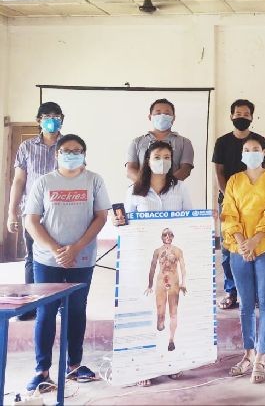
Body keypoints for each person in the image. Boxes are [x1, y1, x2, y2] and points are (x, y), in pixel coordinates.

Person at [23, 134, 110, 392]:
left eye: (77, 150)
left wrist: (75, 248)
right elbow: (31, 221)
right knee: (46, 313)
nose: (72, 154)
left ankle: (74, 365)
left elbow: (101, 216)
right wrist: (57, 250)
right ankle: (42, 370)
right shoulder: (44, 182)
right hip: (47, 259)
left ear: (84, 154)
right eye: (66, 150)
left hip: (81, 259)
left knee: (76, 310)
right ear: (57, 154)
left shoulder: (94, 180)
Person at [115, 140, 193, 387]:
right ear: (147, 161)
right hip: (142, 263)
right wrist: (117, 224)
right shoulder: (134, 191)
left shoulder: (180, 188)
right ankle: (145, 366)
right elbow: (123, 225)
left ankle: (172, 361)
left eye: (167, 156)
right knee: (148, 315)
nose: (163, 161)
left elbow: (190, 221)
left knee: (174, 312)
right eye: (157, 156)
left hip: (173, 273)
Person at [221, 136, 265, 384]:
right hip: (238, 248)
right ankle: (247, 354)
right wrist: (241, 242)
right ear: (242, 154)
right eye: (247, 150)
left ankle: (261, 357)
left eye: (256, 149)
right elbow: (229, 212)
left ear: (264, 152)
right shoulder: (234, 181)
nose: (251, 152)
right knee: (246, 304)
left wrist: (256, 240)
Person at [6, 102, 65, 321]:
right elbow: (19, 181)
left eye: (56, 116)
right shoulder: (26, 147)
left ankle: (58, 303)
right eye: (47, 116)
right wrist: (12, 212)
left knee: (59, 256)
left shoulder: (69, 145)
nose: (52, 120)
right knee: (32, 258)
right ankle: (31, 305)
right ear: (39, 120)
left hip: (62, 212)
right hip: (32, 213)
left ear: (62, 119)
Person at [212, 99, 265, 311]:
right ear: (231, 116)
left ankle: (253, 293)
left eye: (246, 114)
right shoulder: (222, 142)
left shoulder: (260, 140)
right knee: (230, 248)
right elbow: (219, 171)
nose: (242, 117)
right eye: (238, 113)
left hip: (257, 205)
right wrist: (227, 195)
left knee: (257, 246)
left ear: (252, 117)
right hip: (229, 202)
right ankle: (231, 291)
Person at [126, 98, 194, 182]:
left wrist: (166, 186)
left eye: (167, 113)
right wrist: (147, 185)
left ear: (173, 118)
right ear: (150, 117)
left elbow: (185, 170)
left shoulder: (184, 142)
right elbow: (130, 170)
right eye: (158, 113)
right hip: (142, 192)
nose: (162, 116)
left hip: (173, 191)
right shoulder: (136, 142)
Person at [146, 228, 187, 352]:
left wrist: (183, 283)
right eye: (165, 234)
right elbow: (152, 268)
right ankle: (160, 324)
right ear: (162, 237)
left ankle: (171, 340)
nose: (168, 236)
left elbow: (183, 268)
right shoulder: (157, 251)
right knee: (160, 316)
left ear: (173, 236)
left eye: (170, 234)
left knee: (173, 312)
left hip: (174, 282)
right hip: (160, 282)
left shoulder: (178, 251)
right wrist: (149, 285)